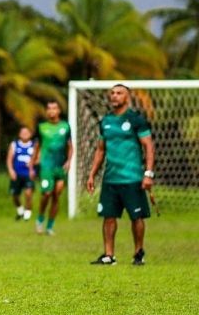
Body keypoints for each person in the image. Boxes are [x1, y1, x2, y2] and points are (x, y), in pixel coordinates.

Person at [86, 84, 155, 266]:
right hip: (111, 178)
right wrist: (92, 174)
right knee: (109, 217)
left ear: (127, 97)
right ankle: (109, 255)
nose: (114, 96)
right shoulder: (106, 121)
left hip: (132, 178)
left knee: (136, 217)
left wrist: (148, 174)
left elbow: (148, 146)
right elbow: (100, 150)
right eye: (112, 93)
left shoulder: (136, 120)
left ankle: (138, 252)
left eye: (119, 93)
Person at [30, 100, 73, 235]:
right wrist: (31, 165)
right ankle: (40, 218)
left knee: (56, 195)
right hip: (46, 166)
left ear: (59, 110)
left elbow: (70, 147)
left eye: (54, 108)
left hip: (60, 166)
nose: (51, 111)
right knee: (46, 193)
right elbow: (37, 147)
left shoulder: (65, 127)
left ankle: (50, 227)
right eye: (49, 108)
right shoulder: (41, 127)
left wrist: (69, 161)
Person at [6, 126, 35, 221]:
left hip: (28, 173)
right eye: (23, 133)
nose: (24, 134)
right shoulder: (14, 145)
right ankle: (20, 210)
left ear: (30, 134)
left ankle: (28, 212)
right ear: (19, 134)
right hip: (16, 174)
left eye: (27, 133)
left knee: (28, 193)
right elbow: (9, 159)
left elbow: (38, 158)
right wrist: (11, 170)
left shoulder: (34, 145)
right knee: (15, 195)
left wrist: (32, 163)